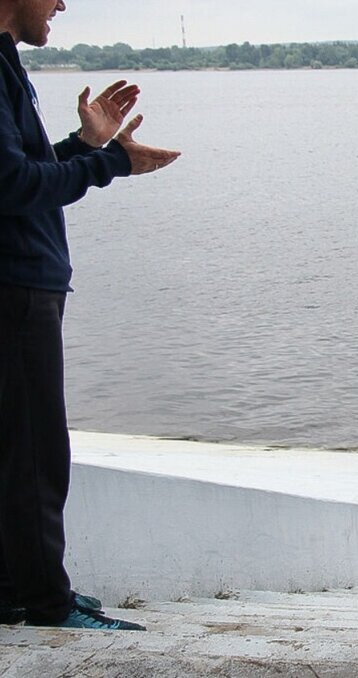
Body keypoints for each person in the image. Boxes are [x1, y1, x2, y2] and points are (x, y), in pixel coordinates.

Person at [1, 0, 181, 631]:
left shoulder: (5, 63)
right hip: (16, 287)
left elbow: (21, 171)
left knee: (24, 449)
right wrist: (107, 163)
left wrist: (85, 145)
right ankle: (44, 604)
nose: (60, 5)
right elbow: (11, 186)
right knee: (34, 455)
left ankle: (20, 590)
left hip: (27, 282)